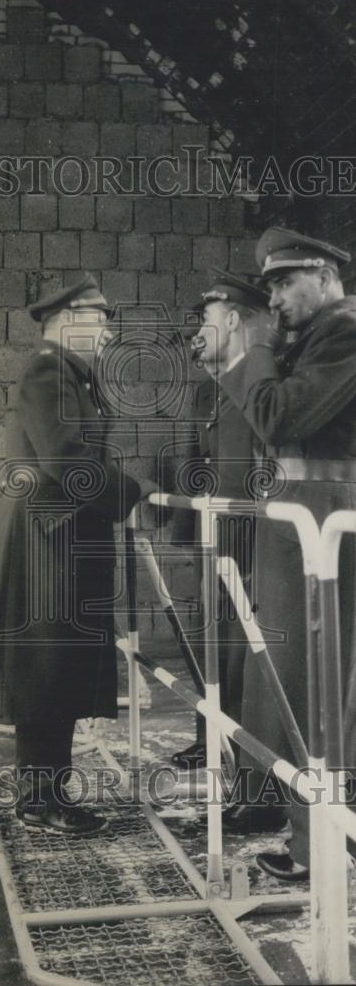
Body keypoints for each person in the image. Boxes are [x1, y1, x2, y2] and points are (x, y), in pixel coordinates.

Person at [0, 274, 145, 836]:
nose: (107, 332)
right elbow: (66, 460)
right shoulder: (50, 372)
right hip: (48, 545)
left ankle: (48, 794)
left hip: (61, 540)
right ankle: (38, 802)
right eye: (98, 320)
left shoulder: (72, 377)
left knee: (56, 671)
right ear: (67, 323)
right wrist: (129, 493)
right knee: (44, 673)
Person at [218, 227, 356, 880]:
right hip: (306, 522)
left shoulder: (344, 331)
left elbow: (278, 420)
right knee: (309, 687)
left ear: (327, 276)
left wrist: (248, 351)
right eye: (268, 286)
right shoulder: (316, 337)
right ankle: (320, 841)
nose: (272, 298)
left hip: (324, 528)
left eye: (284, 281)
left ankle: (319, 849)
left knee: (314, 689)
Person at [170, 271, 266, 773]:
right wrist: (184, 530)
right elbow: (194, 461)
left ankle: (245, 755)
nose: (195, 335)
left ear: (232, 320)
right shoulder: (209, 391)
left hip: (248, 540)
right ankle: (210, 738)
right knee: (209, 642)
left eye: (205, 322)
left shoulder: (256, 384)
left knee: (240, 653)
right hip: (213, 538)